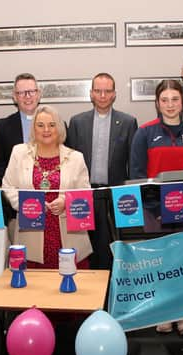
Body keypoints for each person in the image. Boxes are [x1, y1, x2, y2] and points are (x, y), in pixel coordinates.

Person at [130, 79, 183, 336]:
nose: (170, 105)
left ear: (182, 101)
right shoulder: (144, 133)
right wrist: (156, 207)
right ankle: (163, 314)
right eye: (164, 100)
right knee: (158, 263)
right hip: (153, 211)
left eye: (174, 99)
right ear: (157, 103)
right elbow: (136, 174)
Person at [2, 105, 93, 269]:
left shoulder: (76, 158)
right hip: (30, 236)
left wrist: (66, 201)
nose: (46, 130)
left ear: (59, 127)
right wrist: (27, 204)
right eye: (40, 125)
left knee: (69, 289)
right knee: (33, 290)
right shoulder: (19, 153)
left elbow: (85, 193)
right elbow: (8, 186)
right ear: (33, 128)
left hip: (67, 236)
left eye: (52, 125)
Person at [66, 72, 138, 269]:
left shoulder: (128, 122)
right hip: (84, 196)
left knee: (111, 250)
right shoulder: (77, 122)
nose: (103, 96)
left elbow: (132, 165)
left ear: (114, 94)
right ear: (91, 94)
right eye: (98, 91)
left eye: (107, 91)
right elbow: (69, 163)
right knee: (84, 249)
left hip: (114, 196)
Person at [0, 73, 41, 185]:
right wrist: (13, 187)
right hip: (14, 192)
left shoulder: (56, 125)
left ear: (38, 94)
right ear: (14, 97)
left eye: (32, 91)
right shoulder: (1, 127)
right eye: (22, 93)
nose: (27, 96)